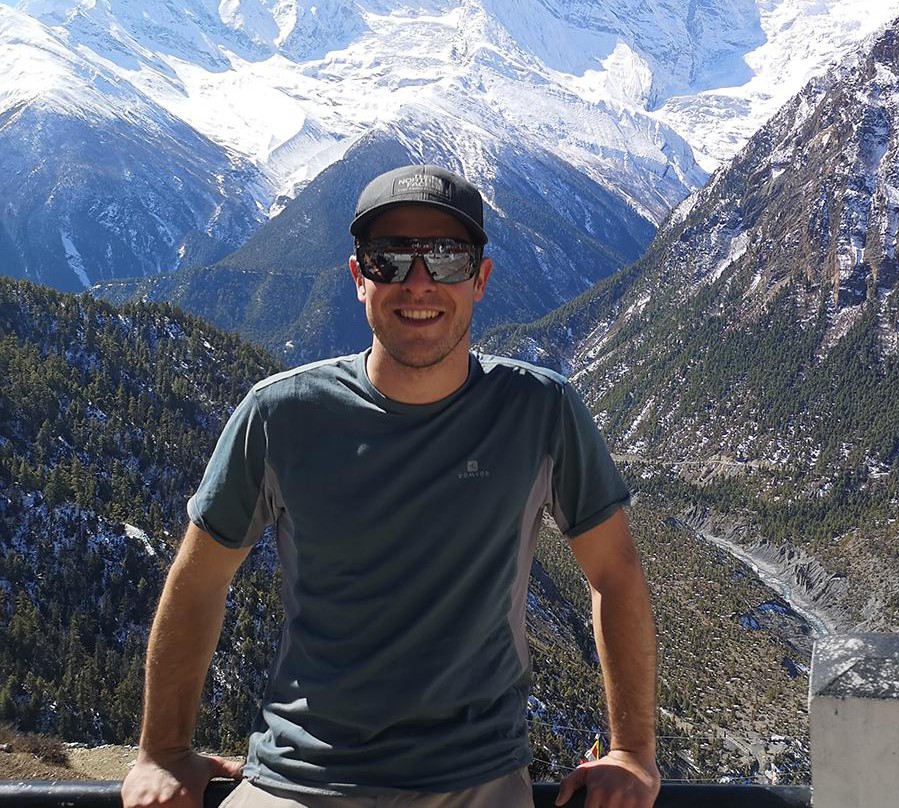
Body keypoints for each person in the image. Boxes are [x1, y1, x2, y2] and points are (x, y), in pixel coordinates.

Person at [120, 165, 661, 808]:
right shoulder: (280, 414)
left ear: (481, 279)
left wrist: (632, 751)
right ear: (359, 278)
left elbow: (616, 574)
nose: (420, 282)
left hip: (478, 781)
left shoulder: (541, 411)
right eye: (391, 259)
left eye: (447, 257)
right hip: (299, 780)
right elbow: (199, 579)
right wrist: (161, 750)